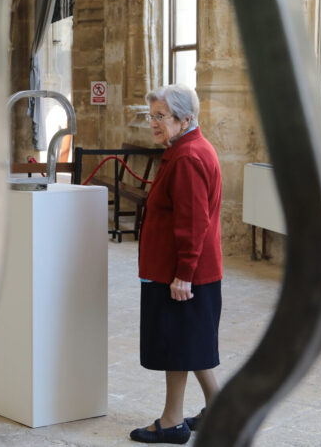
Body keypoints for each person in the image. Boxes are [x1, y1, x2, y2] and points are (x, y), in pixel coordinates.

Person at [129, 84, 223, 445]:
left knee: (178, 345)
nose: (153, 123)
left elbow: (192, 223)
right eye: (151, 115)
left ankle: (171, 422)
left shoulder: (187, 158)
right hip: (187, 271)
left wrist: (184, 274)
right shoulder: (187, 148)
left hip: (183, 274)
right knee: (190, 341)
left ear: (185, 119)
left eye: (160, 116)